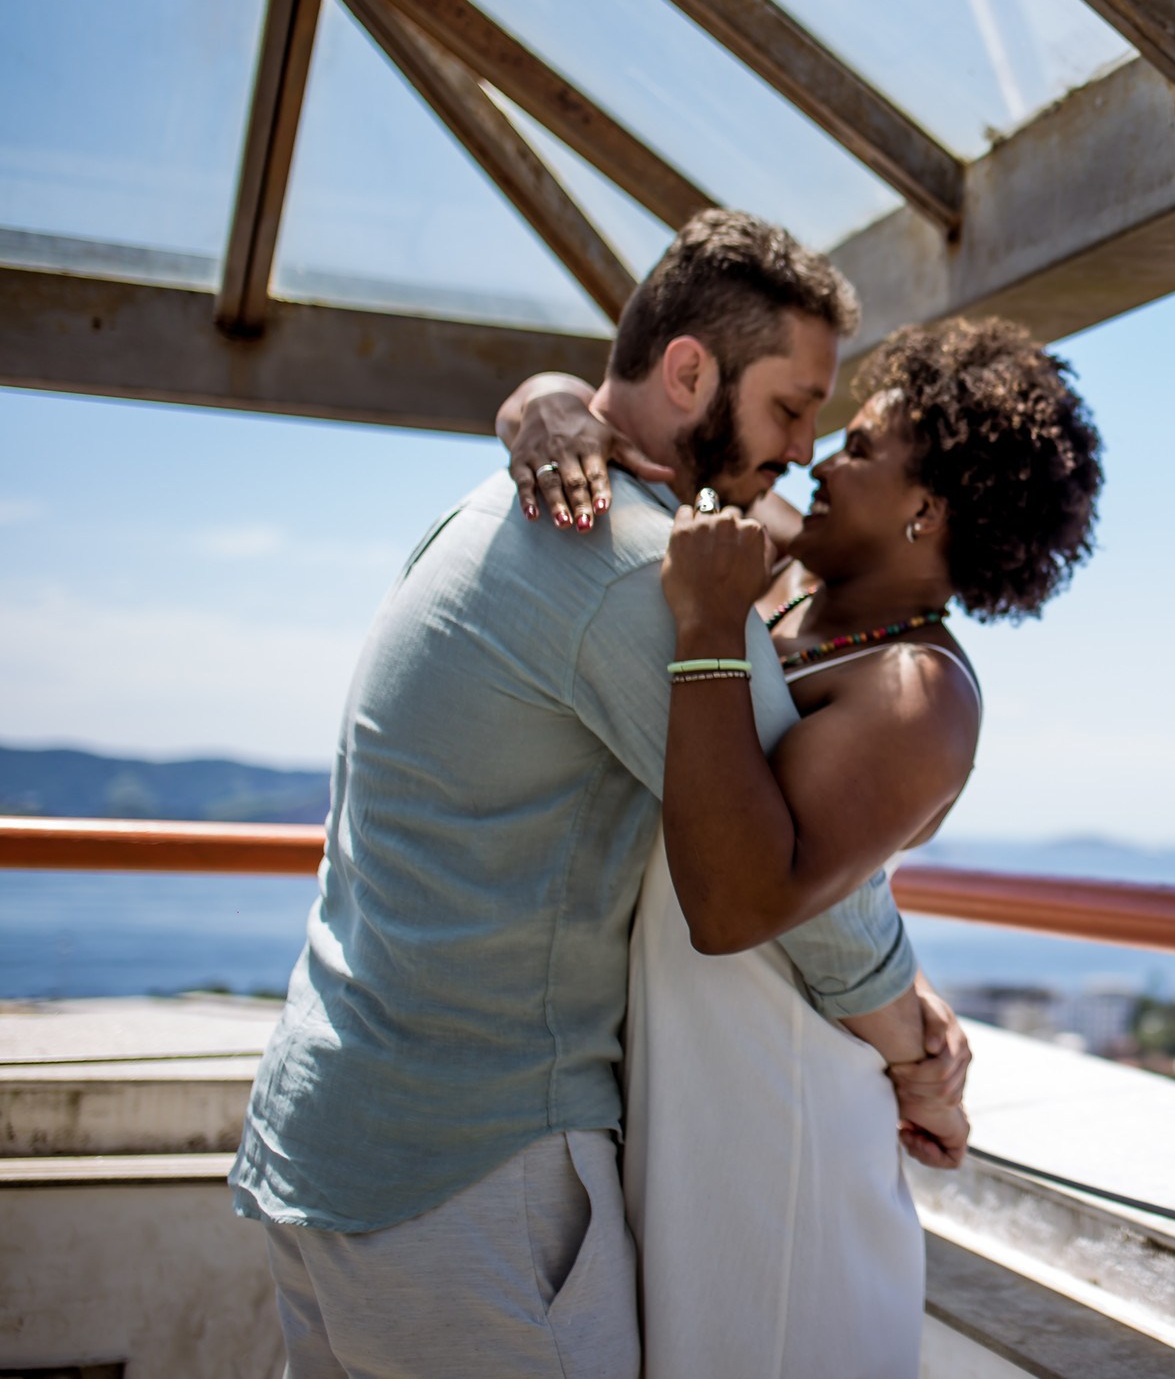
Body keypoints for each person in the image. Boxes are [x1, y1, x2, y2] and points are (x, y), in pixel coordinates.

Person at [231, 211, 955, 1378]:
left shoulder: (499, 507)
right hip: (467, 1176)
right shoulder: (634, 570)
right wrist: (918, 1048)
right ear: (688, 370)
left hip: (332, 1129)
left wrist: (540, 396)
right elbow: (797, 876)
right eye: (789, 406)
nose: (804, 446)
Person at [498, 317, 1103, 1378]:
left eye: (862, 448)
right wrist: (544, 402)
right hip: (694, 1099)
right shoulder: (801, 586)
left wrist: (704, 631)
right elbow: (621, 431)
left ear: (927, 509)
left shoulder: (918, 693)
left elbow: (733, 903)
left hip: (777, 1137)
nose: (821, 459)